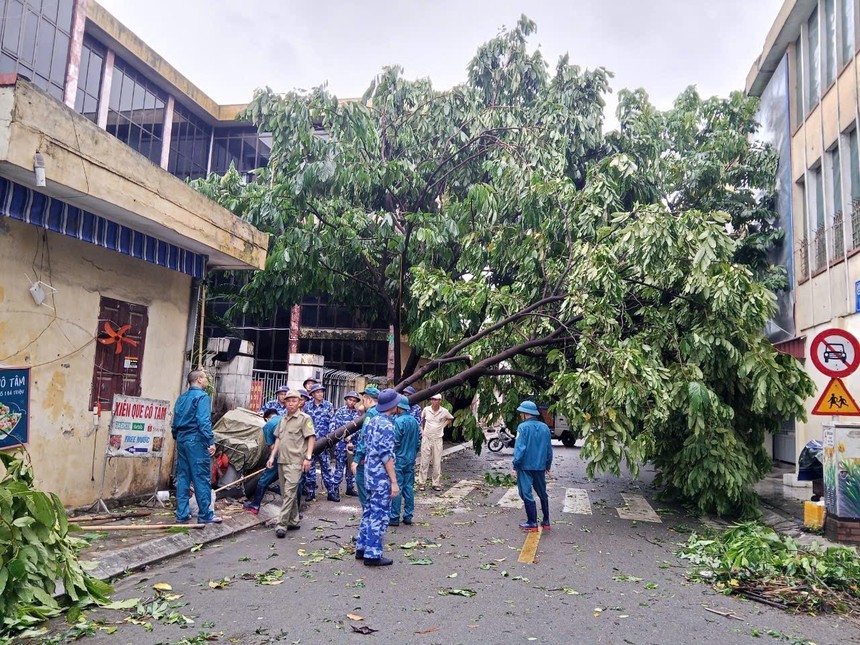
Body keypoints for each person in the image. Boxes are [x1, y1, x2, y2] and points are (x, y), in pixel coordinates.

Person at [354, 388, 400, 566]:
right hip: (381, 477)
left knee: (369, 511)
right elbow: (386, 456)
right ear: (393, 405)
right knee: (379, 514)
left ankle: (362, 546)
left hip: (369, 474)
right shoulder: (387, 425)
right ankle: (372, 554)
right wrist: (394, 482)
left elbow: (365, 445)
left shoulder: (372, 421)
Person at [172, 370, 222, 524]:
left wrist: (177, 436)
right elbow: (203, 421)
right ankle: (205, 515)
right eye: (205, 378)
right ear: (199, 380)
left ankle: (182, 514)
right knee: (201, 477)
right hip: (196, 440)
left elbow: (175, 421)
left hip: (181, 439)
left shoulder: (182, 398)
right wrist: (210, 441)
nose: (207, 381)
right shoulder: (202, 397)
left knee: (183, 477)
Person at [266, 390, 315, 537]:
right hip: (282, 460)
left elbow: (311, 438)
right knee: (286, 493)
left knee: (289, 493)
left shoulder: (304, 418)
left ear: (300, 402)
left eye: (294, 400)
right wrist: (272, 456)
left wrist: (308, 458)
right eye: (288, 401)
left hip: (296, 461)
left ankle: (281, 524)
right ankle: (293, 520)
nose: (291, 403)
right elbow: (278, 439)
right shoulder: (283, 419)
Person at [511, 400, 553, 532]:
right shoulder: (545, 427)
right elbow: (548, 449)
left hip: (525, 466)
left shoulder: (522, 428)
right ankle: (546, 521)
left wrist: (515, 465)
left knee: (526, 493)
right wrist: (548, 465)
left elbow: (520, 449)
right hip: (540, 466)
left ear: (524, 414)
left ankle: (532, 522)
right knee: (542, 493)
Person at [389, 396, 421, 526]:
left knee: (397, 487)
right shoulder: (414, 421)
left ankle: (394, 516)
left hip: (399, 459)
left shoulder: (398, 421)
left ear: (399, 407)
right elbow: (418, 441)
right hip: (411, 458)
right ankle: (408, 515)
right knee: (409, 487)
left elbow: (395, 442)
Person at [243, 409, 281, 514]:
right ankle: (295, 512)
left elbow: (272, 446)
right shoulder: (285, 419)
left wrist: (271, 458)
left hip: (280, 456)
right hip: (294, 455)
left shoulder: (268, 425)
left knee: (264, 480)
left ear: (266, 419)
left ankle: (255, 505)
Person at [304, 383, 336, 501]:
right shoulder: (307, 406)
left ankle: (331, 492)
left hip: (324, 442)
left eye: (321, 391)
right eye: (317, 392)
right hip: (310, 443)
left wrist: (330, 437)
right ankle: (311, 491)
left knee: (326, 467)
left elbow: (332, 421)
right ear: (312, 394)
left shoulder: (328, 405)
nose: (320, 394)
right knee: (310, 468)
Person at [349, 386, 380, 508]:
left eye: (363, 400)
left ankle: (367, 515)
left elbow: (364, 438)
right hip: (378, 458)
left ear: (368, 399)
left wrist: (356, 460)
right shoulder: (382, 412)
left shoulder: (371, 413)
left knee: (362, 485)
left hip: (366, 458)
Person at [418, 394, 454, 492]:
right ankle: (422, 483)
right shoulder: (426, 409)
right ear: (431, 400)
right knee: (424, 461)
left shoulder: (444, 411)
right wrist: (422, 431)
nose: (435, 401)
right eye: (433, 399)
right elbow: (422, 420)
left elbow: (450, 418)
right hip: (427, 438)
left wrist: (443, 426)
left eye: (437, 400)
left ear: (440, 401)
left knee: (437, 462)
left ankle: (436, 483)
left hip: (438, 439)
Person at [330, 391, 361, 497]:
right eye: (350, 400)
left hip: (354, 444)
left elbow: (360, 428)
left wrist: (351, 437)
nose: (351, 402)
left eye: (354, 400)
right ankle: (335, 489)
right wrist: (345, 437)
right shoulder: (340, 412)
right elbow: (336, 427)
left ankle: (350, 487)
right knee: (339, 467)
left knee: (351, 467)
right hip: (341, 445)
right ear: (346, 400)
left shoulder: (358, 414)